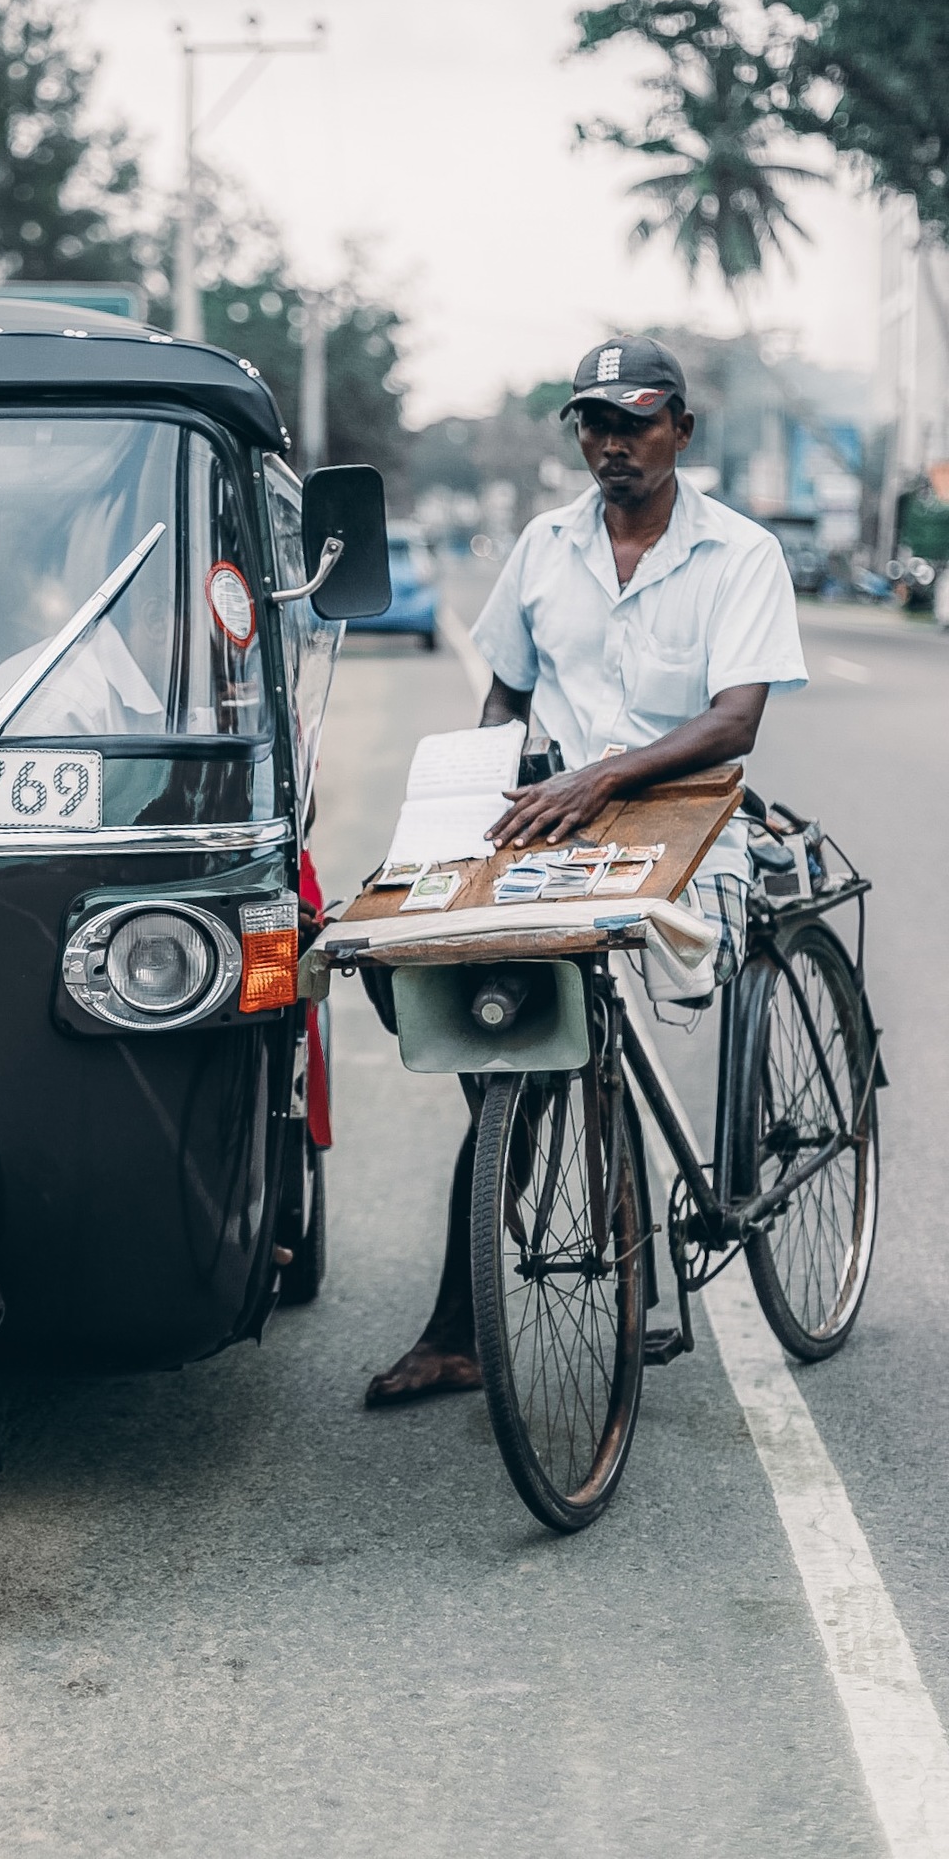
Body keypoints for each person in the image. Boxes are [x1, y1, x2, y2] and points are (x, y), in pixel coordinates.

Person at [365, 333, 808, 1408]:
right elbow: (504, 694)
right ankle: (474, 1302)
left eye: (636, 421)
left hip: (686, 820)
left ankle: (624, 1257)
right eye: (595, 424)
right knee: (420, 963)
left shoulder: (739, 552)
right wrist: (470, 806)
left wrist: (602, 778)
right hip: (556, 819)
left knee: (595, 994)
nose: (613, 443)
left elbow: (732, 719)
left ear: (680, 430)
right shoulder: (543, 546)